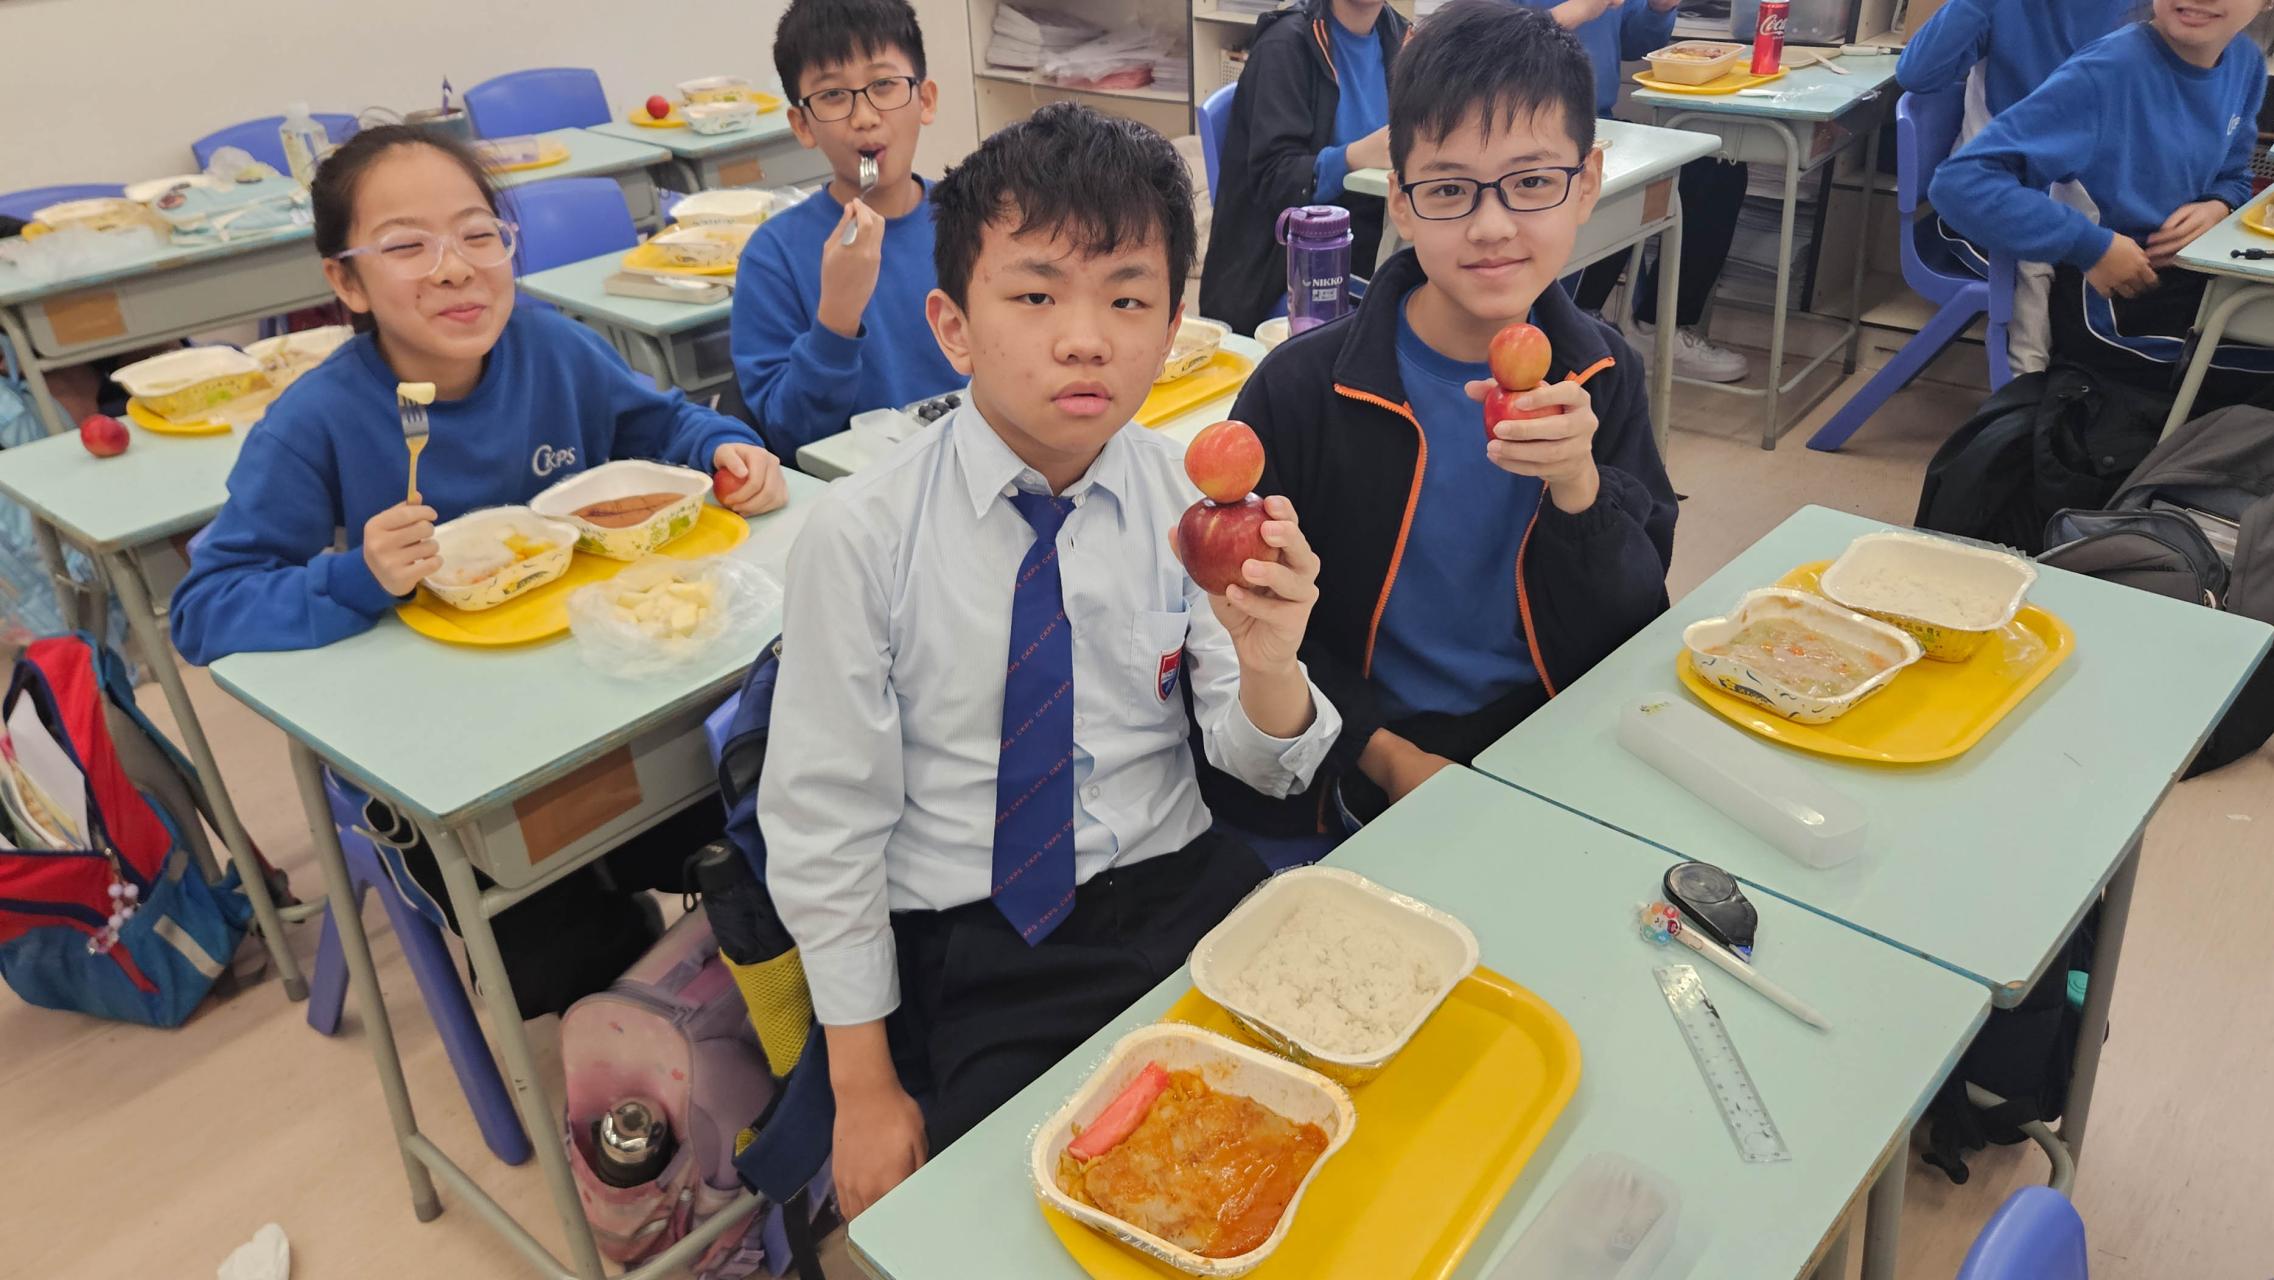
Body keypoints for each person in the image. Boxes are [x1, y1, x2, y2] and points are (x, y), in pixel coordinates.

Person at [759, 103, 1343, 1218]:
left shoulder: (1188, 500)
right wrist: (862, 1082)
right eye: (1035, 297)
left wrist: (1270, 663)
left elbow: (1265, 765)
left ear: (1173, 327)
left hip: (1185, 886)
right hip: (985, 938)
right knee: (1055, 1213)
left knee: (1322, 1143)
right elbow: (824, 822)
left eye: (1127, 299)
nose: (1086, 339)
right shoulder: (863, 535)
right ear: (954, 326)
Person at [171, 125, 790, 1011]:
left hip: (608, 697)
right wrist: (358, 577)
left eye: (476, 234)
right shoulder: (318, 421)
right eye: (406, 247)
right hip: (457, 753)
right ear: (345, 281)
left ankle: (715, 988)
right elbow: (205, 607)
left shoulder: (554, 351)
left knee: (742, 829)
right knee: (556, 962)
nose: (455, 268)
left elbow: (667, 427)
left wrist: (727, 449)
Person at [1209, 0, 1675, 836]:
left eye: (1532, 182)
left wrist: (1581, 488)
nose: (1492, 226)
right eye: (1450, 189)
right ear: (1400, 199)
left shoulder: (1603, 375)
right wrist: (1386, 757)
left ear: (1587, 184)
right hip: (1365, 750)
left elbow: (1636, 621)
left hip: (1557, 736)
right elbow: (1259, 631)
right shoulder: (1302, 390)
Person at [1931, 0, 2272, 404]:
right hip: (2109, 307)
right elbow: (1960, 182)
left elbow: (2234, 173)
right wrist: (2092, 245)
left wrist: (2218, 202)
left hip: (2189, 280)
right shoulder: (2108, 71)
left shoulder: (2245, 62)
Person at [730, 0, 964, 455]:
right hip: (860, 486)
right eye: (834, 95)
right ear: (802, 125)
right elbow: (790, 435)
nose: (865, 117)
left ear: (926, 99)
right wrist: (837, 316)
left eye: (884, 85)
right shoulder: (773, 257)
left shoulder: (976, 222)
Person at [1895, 0, 2130, 369]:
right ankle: (2027, 385)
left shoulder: (2151, 15)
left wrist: (2217, 199)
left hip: (2099, 199)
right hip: (1997, 205)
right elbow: (1917, 74)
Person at [1554, 0, 1754, 383]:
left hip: (1600, 123)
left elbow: (1634, 42)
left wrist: (1658, 10)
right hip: (1532, 122)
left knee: (1716, 171)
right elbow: (1480, 43)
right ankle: (1575, 324)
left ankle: (1657, 327)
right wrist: (1575, 11)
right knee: (1610, 189)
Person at [1199, 0, 1410, 335]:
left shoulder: (1403, 38)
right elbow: (1275, 178)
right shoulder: (1285, 46)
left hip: (1376, 239)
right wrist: (1352, 156)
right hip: (1292, 264)